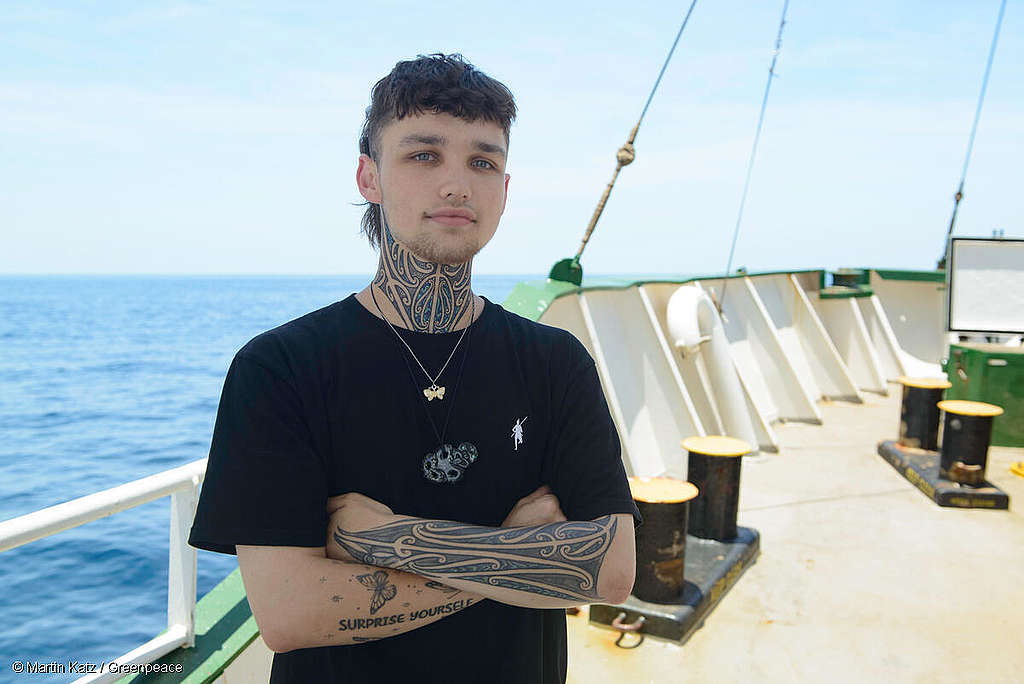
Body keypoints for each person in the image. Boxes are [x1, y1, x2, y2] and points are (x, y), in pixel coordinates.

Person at [188, 53, 641, 684]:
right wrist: (515, 555)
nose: (457, 184)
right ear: (369, 178)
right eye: (424, 155)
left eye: (483, 161)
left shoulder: (555, 363)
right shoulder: (281, 368)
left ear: (505, 191)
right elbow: (288, 613)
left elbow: (610, 572)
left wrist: (380, 540)